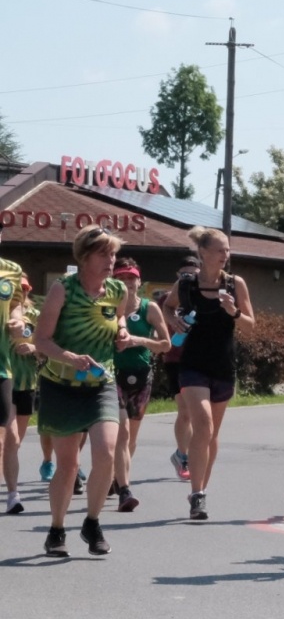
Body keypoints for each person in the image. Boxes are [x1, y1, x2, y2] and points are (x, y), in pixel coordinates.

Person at [33, 225, 132, 556]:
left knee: (106, 451)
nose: (110, 260)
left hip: (101, 384)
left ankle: (92, 522)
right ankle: (56, 529)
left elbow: (120, 319)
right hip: (61, 385)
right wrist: (70, 357)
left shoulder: (117, 290)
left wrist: (122, 331)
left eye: (113, 254)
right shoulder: (63, 289)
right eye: (103, 254)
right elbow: (41, 340)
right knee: (69, 465)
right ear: (84, 257)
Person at [164, 228, 254, 520]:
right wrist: (173, 321)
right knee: (202, 425)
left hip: (223, 365)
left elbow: (250, 325)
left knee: (212, 433)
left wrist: (234, 312)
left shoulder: (235, 284)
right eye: (219, 250)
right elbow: (167, 306)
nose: (225, 255)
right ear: (203, 252)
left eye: (227, 250)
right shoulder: (186, 284)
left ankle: (201, 488)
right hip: (193, 365)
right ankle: (197, 495)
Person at [108, 258, 169, 513]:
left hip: (141, 376)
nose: (127, 283)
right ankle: (125, 489)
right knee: (121, 433)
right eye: (121, 278)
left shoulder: (149, 308)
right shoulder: (107, 308)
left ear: (139, 281)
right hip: (112, 375)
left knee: (130, 438)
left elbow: (166, 344)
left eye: (131, 278)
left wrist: (138, 340)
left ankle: (117, 476)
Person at [160, 253, 200, 481]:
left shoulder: (203, 296)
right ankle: (182, 455)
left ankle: (188, 454)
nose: (188, 278)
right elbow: (160, 323)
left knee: (197, 414)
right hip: (175, 358)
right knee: (185, 411)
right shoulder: (168, 299)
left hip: (199, 359)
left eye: (193, 274)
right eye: (184, 274)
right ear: (177, 275)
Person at [4, 276, 40, 514]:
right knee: (11, 438)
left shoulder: (35, 316)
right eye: (17, 289)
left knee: (15, 444)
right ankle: (13, 495)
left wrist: (34, 348)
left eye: (24, 289)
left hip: (27, 383)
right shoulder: (2, 317)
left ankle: (9, 481)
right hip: (5, 381)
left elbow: (48, 346)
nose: (21, 293)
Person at [0, 230, 24, 515]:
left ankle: (12, 495)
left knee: (5, 435)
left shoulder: (12, 270)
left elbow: (16, 304)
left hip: (2, 365)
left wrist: (18, 321)